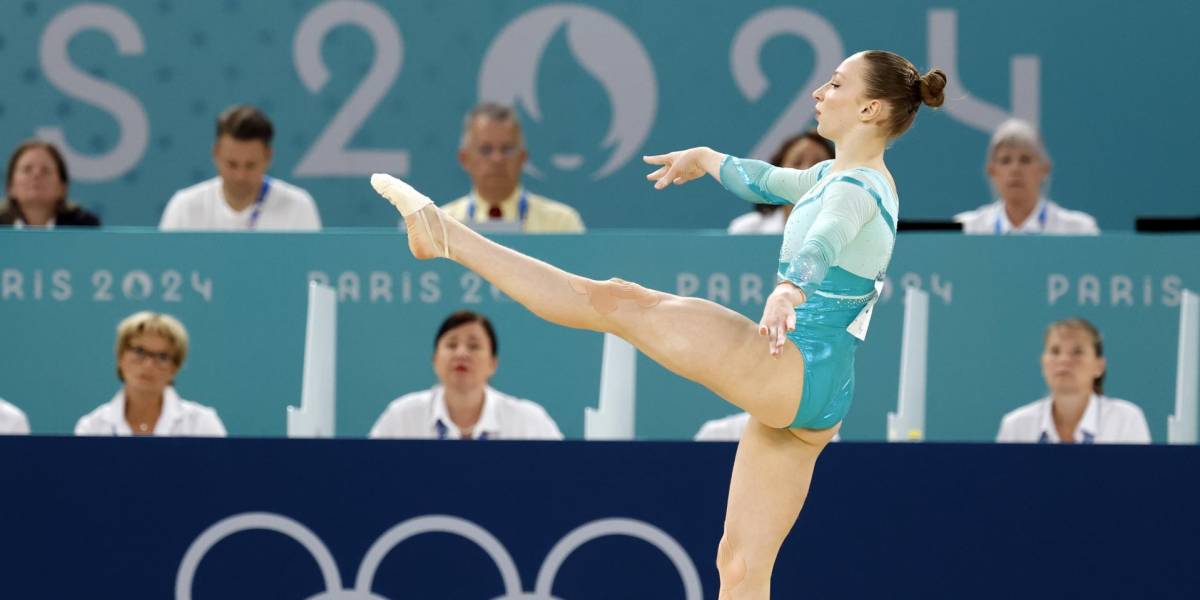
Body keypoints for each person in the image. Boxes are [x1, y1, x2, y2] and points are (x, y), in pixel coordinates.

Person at [371, 49, 945, 598]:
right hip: (817, 389)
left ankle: (444, 235)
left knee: (616, 302)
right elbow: (766, 180)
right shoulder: (832, 174)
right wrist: (706, 159)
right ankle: (443, 234)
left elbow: (826, 238)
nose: (821, 91)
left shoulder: (855, 187)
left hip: (794, 364)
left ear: (871, 109)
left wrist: (790, 286)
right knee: (740, 567)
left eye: (838, 84)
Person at [370, 310, 562, 440]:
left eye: (474, 346)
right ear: (435, 360)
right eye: (451, 345)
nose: (461, 354)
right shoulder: (401, 417)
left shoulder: (528, 422)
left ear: (493, 363)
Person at [160, 105, 321, 231]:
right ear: (216, 153)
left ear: (268, 157)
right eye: (231, 164)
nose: (240, 176)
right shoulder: (184, 207)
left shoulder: (299, 207)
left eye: (251, 165)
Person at [997, 318, 1150, 444]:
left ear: (1099, 366)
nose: (1064, 360)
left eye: (1077, 352)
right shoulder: (1016, 426)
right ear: (1043, 363)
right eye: (1055, 351)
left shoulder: (1126, 420)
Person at [439, 102, 585, 233]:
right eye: (486, 149)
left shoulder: (561, 224)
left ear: (522, 157)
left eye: (507, 149)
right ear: (464, 158)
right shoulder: (442, 226)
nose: (497, 159)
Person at [75, 311, 226, 436]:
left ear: (175, 367)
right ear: (121, 357)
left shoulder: (201, 424)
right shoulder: (92, 428)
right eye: (139, 351)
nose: (149, 365)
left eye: (162, 357)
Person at [955, 119, 1098, 235]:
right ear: (992, 171)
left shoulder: (1079, 230)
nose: (1015, 169)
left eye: (1025, 160)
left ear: (1044, 169)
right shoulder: (966, 230)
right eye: (1005, 160)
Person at [727, 130, 834, 234]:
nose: (806, 171)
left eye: (819, 164)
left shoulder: (848, 232)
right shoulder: (745, 230)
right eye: (797, 162)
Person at [0, 140, 100, 227]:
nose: (36, 175)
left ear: (62, 187)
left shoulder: (85, 227)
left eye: (45, 170)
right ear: (11, 186)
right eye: (27, 169)